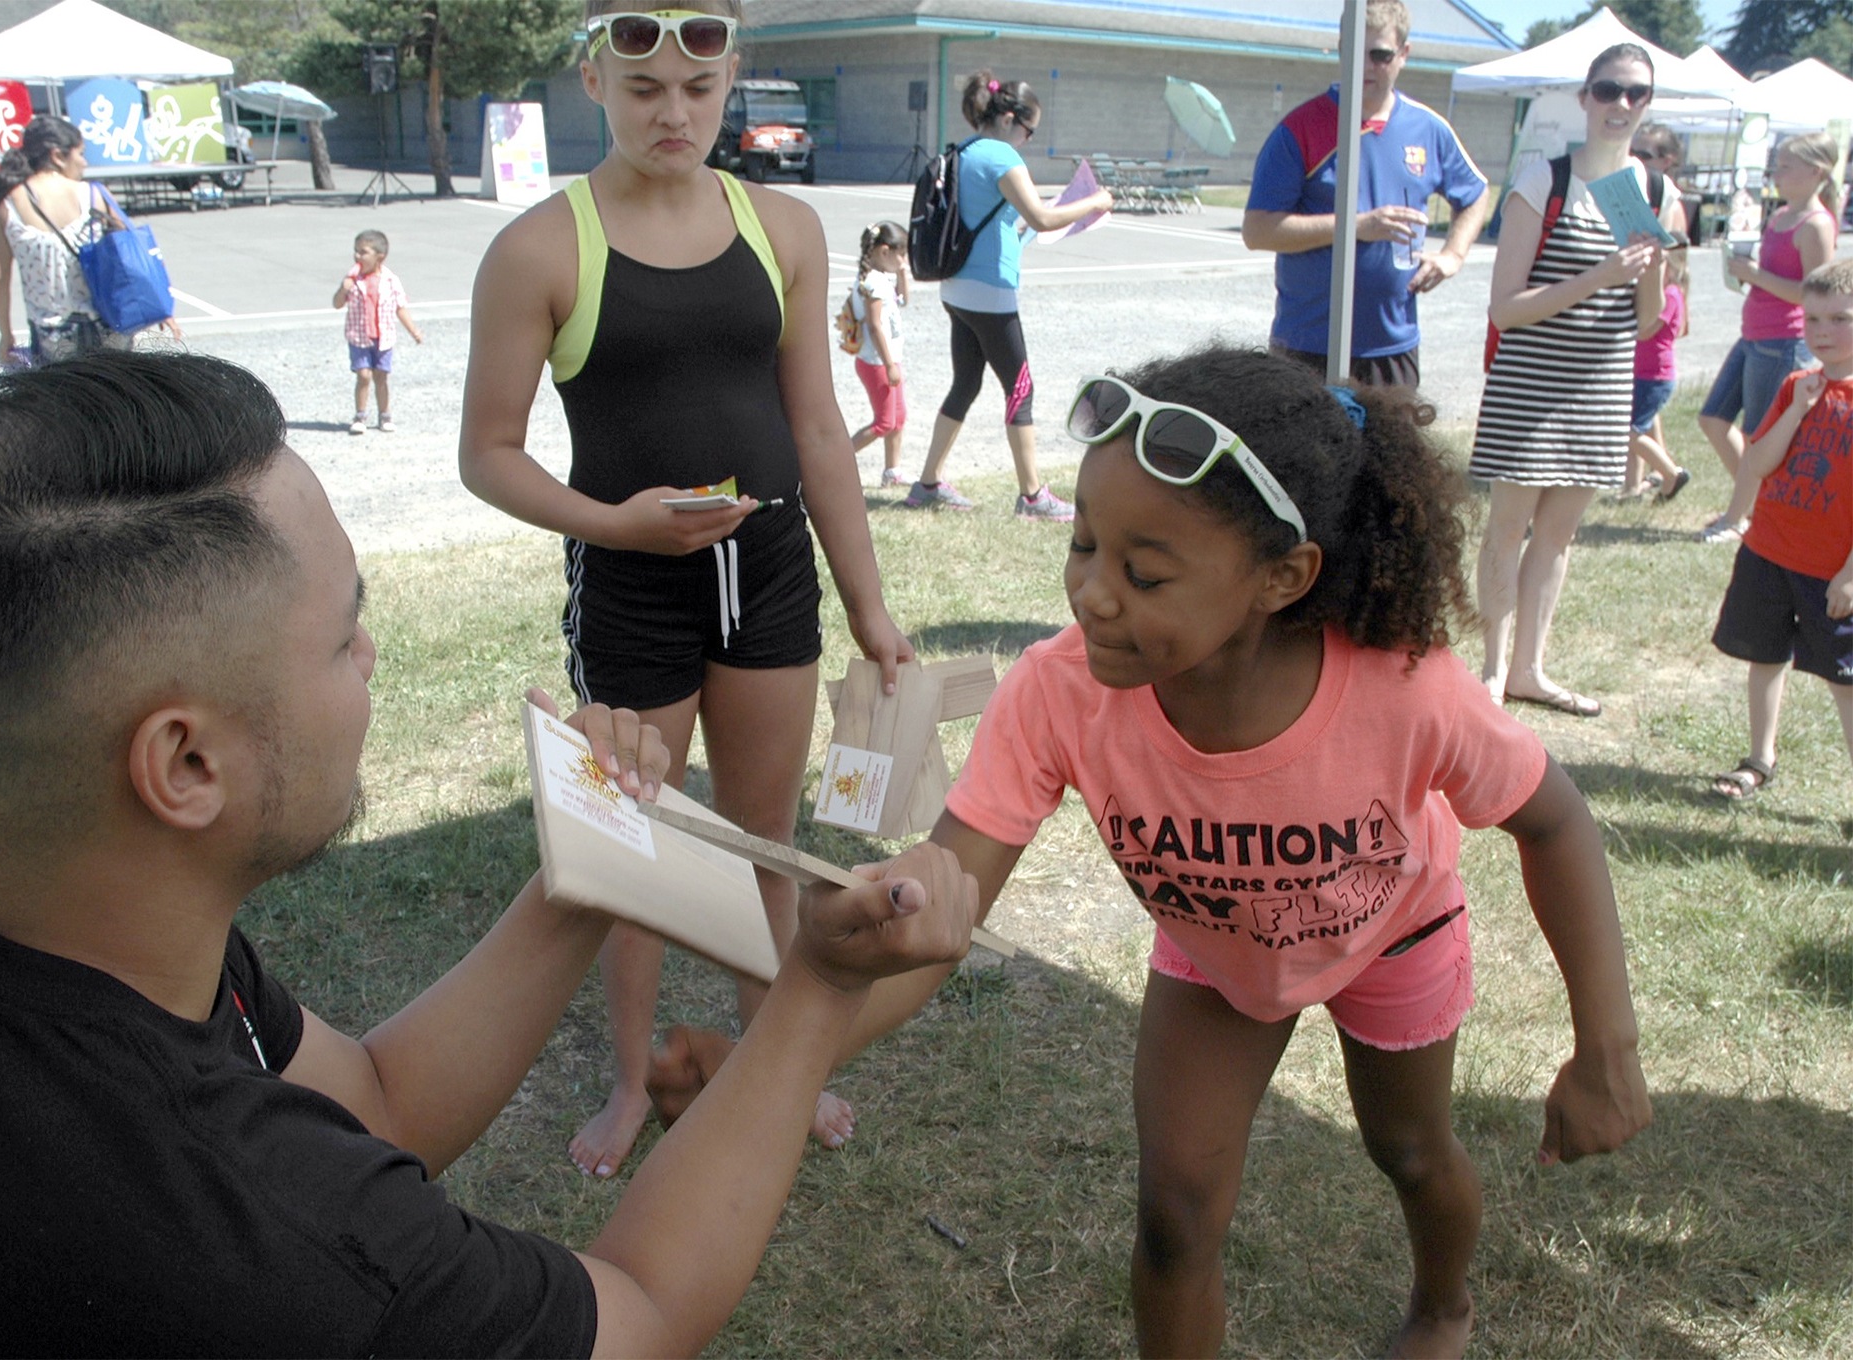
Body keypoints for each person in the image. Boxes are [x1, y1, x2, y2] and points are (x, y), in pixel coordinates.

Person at [0, 350, 978, 1357]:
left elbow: (373, 1101)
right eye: (339, 634)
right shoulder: (259, 1237)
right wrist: (814, 995)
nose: (370, 657)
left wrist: (588, 869)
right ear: (185, 766)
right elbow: (642, 1316)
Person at [651, 345, 1651, 1359]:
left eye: (1144, 571)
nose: (1091, 593)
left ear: (1281, 577)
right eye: (1083, 542)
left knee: (1408, 1148)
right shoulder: (1058, 692)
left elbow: (1553, 819)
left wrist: (1604, 1042)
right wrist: (769, 1059)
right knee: (1173, 1218)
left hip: (1391, 932)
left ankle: (1442, 1307)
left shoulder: (1405, 690)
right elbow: (937, 907)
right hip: (1215, 949)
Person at [457, 0, 915, 1181]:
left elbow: (815, 426)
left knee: (765, 841)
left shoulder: (783, 227)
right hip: (629, 581)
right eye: (643, 89)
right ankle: (629, 1078)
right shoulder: (541, 247)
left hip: (763, 572)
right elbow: (488, 453)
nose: (672, 114)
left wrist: (865, 604)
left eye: (697, 94)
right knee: (636, 849)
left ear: (731, 88)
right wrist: (614, 524)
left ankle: (773, 1061)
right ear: (592, 84)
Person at [1468, 44, 1665, 719]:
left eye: (1636, 93)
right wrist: (1600, 275)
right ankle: (1493, 669)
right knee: (1508, 527)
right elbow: (1506, 306)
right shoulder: (1543, 178)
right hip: (1530, 389)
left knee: (1558, 536)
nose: (1622, 105)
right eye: (1608, 90)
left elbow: (1645, 325)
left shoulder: (1653, 189)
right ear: (1584, 98)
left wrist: (1655, 268)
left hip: (1601, 392)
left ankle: (1530, 669)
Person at [1240, 0, 1489, 389]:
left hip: (1392, 346)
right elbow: (1257, 231)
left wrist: (1453, 256)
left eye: (1380, 55)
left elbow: (1475, 193)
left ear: (1404, 55)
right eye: (1355, 52)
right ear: (1341, 49)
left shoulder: (1428, 129)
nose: (1366, 65)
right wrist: (1357, 226)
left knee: (1390, 451)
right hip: (1307, 346)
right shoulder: (1301, 129)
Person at [901, 69, 1113, 519]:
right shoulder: (1002, 156)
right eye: (1029, 130)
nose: (1028, 140)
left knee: (965, 384)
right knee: (1021, 390)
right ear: (1011, 119)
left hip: (956, 287)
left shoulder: (964, 151)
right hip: (990, 294)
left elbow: (1005, 223)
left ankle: (926, 484)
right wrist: (1094, 203)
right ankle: (1033, 495)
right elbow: (1040, 218)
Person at [1706, 260, 1853, 802]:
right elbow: (1760, 463)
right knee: (1764, 656)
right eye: (1812, 319)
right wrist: (1797, 409)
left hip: (1830, 571)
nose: (1822, 332)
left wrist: (1849, 576)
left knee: (1845, 680)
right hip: (1769, 554)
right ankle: (1759, 759)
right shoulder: (1798, 384)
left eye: (1840, 319)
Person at [1700, 132, 1842, 542]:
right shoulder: (1781, 215)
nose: (1776, 173)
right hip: (1755, 334)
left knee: (1757, 434)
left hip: (1784, 339)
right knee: (1712, 419)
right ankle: (1754, 501)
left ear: (1814, 172)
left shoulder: (1816, 224)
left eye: (1785, 166)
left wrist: (1754, 274)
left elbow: (1814, 293)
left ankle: (1736, 518)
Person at [0, 113, 180, 366]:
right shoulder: (94, 194)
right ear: (57, 156)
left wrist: (6, 334)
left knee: (66, 401)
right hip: (109, 320)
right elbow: (133, 256)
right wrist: (158, 304)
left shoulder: (7, 206)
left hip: (51, 331)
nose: (84, 163)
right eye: (80, 154)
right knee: (114, 397)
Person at [332, 228, 426, 436]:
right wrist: (343, 288)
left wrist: (414, 331)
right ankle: (360, 415)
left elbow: (400, 308)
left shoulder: (391, 280)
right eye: (356, 251)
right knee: (364, 376)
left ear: (379, 257)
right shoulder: (353, 279)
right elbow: (337, 304)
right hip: (359, 337)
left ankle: (385, 414)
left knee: (381, 376)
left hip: (383, 338)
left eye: (363, 252)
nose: (357, 256)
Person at [846, 220, 914, 486]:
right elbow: (874, 326)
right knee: (885, 422)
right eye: (901, 254)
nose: (903, 259)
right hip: (878, 363)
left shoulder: (881, 277)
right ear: (884, 252)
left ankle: (893, 471)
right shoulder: (872, 282)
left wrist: (901, 274)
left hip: (888, 360)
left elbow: (904, 301)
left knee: (899, 418)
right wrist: (889, 365)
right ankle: (840, 458)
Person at [1624, 248, 1691, 502]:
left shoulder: (1671, 295)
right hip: (1642, 373)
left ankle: (1671, 473)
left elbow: (1645, 330)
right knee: (1638, 431)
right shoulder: (1663, 294)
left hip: (1656, 376)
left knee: (1630, 434)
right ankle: (1631, 488)